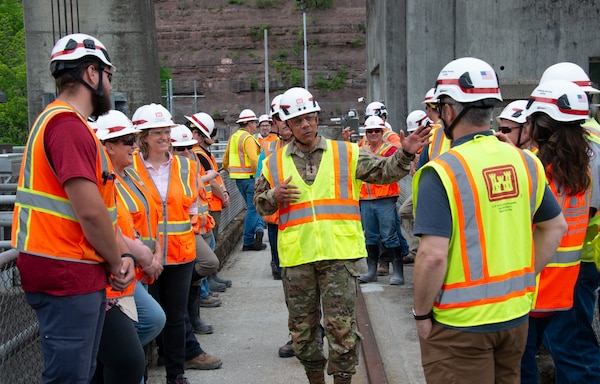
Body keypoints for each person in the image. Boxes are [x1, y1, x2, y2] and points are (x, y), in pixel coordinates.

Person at [254, 87, 431, 384]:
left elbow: (383, 172)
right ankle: (315, 379)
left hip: (339, 258)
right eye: (298, 121)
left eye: (310, 117)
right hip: (297, 259)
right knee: (303, 331)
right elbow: (260, 204)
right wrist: (274, 195)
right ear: (287, 124)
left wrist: (406, 153)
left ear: (317, 116)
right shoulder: (275, 161)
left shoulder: (345, 152)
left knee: (342, 330)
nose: (306, 124)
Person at [412, 57, 567, 384]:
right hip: (515, 317)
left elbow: (433, 255)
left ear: (450, 111)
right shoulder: (526, 162)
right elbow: (555, 227)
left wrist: (422, 313)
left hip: (460, 325)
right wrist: (524, 276)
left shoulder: (442, 171)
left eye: (441, 109)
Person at [11, 33, 135, 384]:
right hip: (67, 269)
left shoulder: (59, 121)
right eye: (109, 76)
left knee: (81, 371)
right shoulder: (67, 126)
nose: (110, 86)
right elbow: (91, 211)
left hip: (68, 265)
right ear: (91, 74)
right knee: (69, 377)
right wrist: (116, 260)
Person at [519, 79, 597, 383]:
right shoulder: (583, 170)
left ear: (541, 124)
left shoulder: (533, 168)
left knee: (522, 368)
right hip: (565, 286)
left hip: (533, 284)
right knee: (574, 361)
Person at [93, 110, 166, 384]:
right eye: (127, 141)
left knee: (150, 324)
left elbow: (152, 214)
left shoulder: (130, 176)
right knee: (139, 337)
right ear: (108, 146)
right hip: (121, 273)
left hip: (137, 269)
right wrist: (143, 255)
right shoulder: (104, 179)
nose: (133, 146)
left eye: (134, 140)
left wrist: (156, 253)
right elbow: (113, 227)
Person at [131, 103, 198, 384]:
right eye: (157, 132)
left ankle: (176, 374)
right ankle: (140, 374)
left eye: (166, 131)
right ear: (143, 136)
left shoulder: (186, 166)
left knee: (175, 317)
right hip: (144, 258)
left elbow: (193, 207)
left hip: (181, 255)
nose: (164, 137)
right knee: (143, 320)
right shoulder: (129, 166)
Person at [168, 124, 223, 371]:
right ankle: (182, 351)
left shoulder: (189, 166)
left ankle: (192, 326)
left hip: (193, 229)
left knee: (196, 278)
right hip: (175, 238)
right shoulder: (166, 170)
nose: (185, 153)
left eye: (187, 148)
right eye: (179, 149)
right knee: (207, 264)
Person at [185, 112, 232, 292]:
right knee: (208, 249)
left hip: (209, 206)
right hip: (209, 206)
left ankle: (209, 283)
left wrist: (224, 192)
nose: (213, 137)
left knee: (211, 246)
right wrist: (224, 195)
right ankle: (205, 287)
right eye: (210, 134)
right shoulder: (198, 153)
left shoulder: (201, 153)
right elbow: (211, 180)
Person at [357, 115, 406, 285]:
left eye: (377, 130)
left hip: (385, 199)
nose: (373, 134)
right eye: (370, 131)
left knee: (389, 236)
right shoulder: (361, 149)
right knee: (370, 236)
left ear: (382, 131)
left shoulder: (390, 150)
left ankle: (398, 273)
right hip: (365, 199)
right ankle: (372, 270)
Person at [223, 108, 266, 251]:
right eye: (255, 122)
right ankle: (248, 241)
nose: (256, 125)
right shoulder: (248, 138)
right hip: (250, 178)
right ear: (249, 124)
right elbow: (255, 160)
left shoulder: (233, 137)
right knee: (253, 208)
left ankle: (258, 228)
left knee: (254, 207)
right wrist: (260, 176)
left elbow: (225, 161)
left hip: (238, 179)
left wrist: (231, 171)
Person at [396, 110, 433, 265]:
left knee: (417, 215)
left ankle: (422, 248)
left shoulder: (435, 139)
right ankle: (416, 248)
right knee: (404, 212)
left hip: (431, 186)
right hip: (421, 186)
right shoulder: (418, 145)